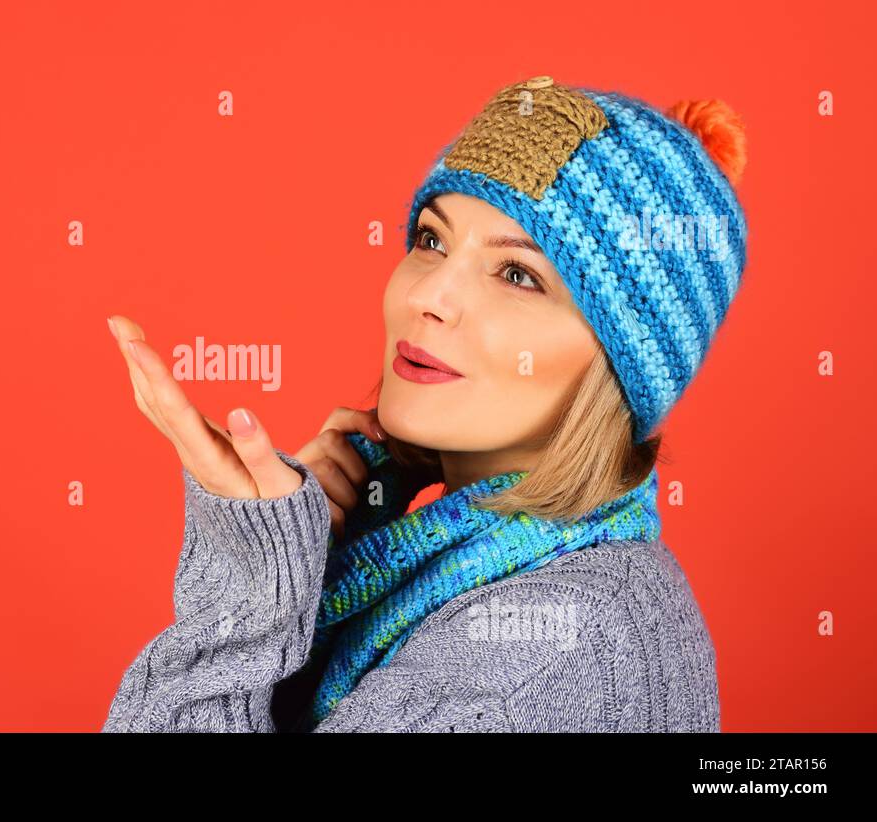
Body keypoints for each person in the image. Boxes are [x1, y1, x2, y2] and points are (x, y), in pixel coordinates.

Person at [101, 74, 748, 732]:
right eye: (432, 241)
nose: (428, 296)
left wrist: (252, 583)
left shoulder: (519, 669)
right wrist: (323, 545)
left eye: (519, 274)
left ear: (624, 362)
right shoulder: (594, 589)